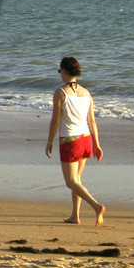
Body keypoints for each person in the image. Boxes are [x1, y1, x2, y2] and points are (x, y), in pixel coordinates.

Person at [44, 57, 107, 226]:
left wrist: (49, 141)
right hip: (85, 139)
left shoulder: (61, 93)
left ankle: (96, 206)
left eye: (60, 71)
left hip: (70, 140)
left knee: (70, 182)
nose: (60, 74)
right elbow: (92, 121)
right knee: (77, 179)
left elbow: (55, 121)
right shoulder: (86, 93)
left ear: (65, 71)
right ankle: (75, 215)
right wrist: (97, 144)